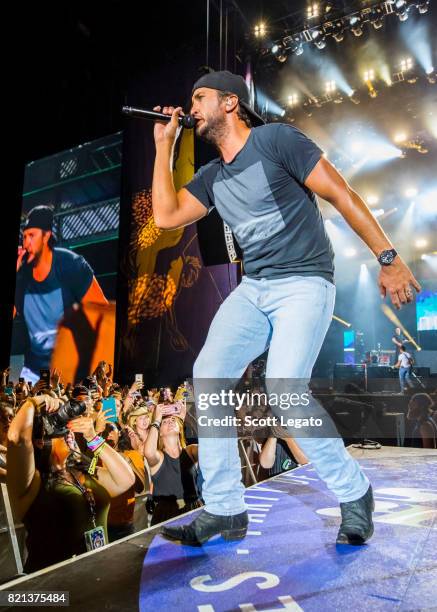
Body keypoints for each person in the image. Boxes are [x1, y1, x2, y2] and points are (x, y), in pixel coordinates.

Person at [151, 70, 421, 546]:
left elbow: (341, 193)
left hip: (304, 282)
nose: (191, 107)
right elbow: (166, 217)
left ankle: (354, 492)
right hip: (257, 288)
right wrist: (162, 147)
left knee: (284, 388)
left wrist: (389, 258)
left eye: (200, 97)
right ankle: (225, 508)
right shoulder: (212, 176)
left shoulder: (277, 141)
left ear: (230, 102)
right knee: (208, 375)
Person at [6, 393, 135, 572]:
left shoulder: (81, 471)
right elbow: (17, 438)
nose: (69, 433)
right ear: (40, 441)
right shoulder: (34, 481)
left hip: (94, 578)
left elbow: (126, 480)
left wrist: (92, 438)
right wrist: (35, 402)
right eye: (60, 427)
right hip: (53, 587)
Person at [14, 205, 108, 384]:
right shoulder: (22, 275)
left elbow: (102, 312)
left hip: (69, 370)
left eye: (32, 236)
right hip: (34, 372)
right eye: (24, 237)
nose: (26, 243)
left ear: (46, 236)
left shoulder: (70, 265)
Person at [144, 403, 201, 525]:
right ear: (159, 432)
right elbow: (148, 452)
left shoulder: (190, 451)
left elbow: (209, 447)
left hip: (193, 510)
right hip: (167, 515)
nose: (170, 422)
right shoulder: (159, 457)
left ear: (180, 427)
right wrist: (157, 419)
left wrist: (186, 418)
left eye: (173, 420)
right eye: (165, 422)